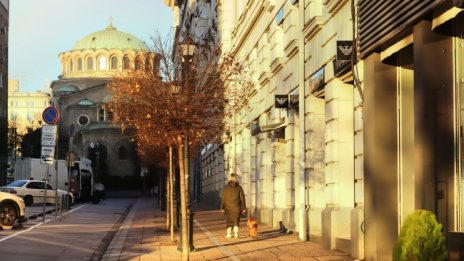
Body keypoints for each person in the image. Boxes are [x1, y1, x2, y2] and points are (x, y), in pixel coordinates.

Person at [220, 173, 247, 238]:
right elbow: (242, 198)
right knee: (236, 220)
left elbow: (223, 198)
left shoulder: (225, 187)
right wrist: (244, 208)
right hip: (237, 207)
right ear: (236, 178)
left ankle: (229, 234)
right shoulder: (239, 187)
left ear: (229, 178)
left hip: (227, 207)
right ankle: (236, 234)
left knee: (229, 221)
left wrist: (222, 208)